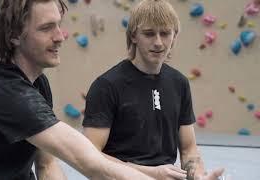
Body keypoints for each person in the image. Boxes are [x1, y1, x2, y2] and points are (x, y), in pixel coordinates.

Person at [0, 0, 154, 179]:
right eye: (46, 28)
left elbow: (46, 165)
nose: (60, 37)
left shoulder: (38, 84)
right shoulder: (7, 94)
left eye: (58, 25)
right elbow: (93, 166)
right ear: (14, 36)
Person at [82, 0, 224, 179]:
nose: (158, 42)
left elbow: (189, 149)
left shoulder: (179, 83)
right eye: (149, 34)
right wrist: (151, 174)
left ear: (175, 36)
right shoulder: (106, 86)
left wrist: (198, 175)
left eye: (165, 33)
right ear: (134, 36)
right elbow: (89, 157)